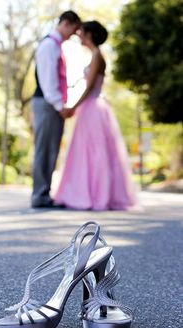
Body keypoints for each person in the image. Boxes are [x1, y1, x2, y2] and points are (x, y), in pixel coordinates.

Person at [54, 21, 138, 211]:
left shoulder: (97, 55)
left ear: (89, 34)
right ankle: (88, 192)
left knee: (96, 152)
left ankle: (98, 195)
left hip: (93, 107)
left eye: (81, 33)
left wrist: (72, 107)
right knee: (87, 152)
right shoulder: (94, 56)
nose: (79, 36)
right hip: (92, 107)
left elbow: (90, 86)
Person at [31, 10, 81, 208]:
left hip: (50, 104)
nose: (74, 35)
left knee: (50, 150)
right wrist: (60, 107)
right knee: (44, 150)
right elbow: (48, 82)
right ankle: (40, 195)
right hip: (47, 104)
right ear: (66, 23)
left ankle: (43, 193)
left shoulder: (56, 46)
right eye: (74, 29)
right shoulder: (49, 46)